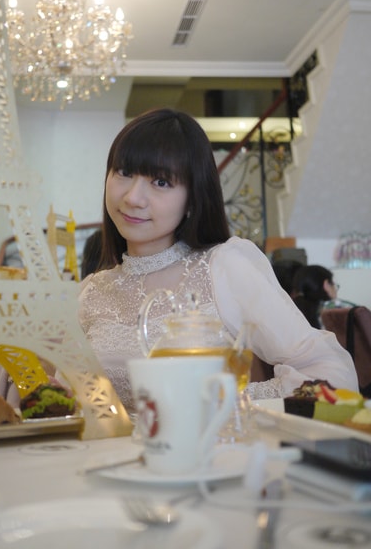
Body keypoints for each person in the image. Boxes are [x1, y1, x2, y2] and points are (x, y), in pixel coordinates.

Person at [78, 108, 358, 413]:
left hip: (215, 443)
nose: (133, 197)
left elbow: (329, 371)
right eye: (124, 172)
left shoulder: (223, 268)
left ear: (192, 198)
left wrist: (227, 403)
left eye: (161, 182)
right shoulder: (91, 292)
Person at [292, 265, 355, 329]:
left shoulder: (293, 309)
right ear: (326, 284)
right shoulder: (337, 307)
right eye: (334, 285)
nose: (336, 290)